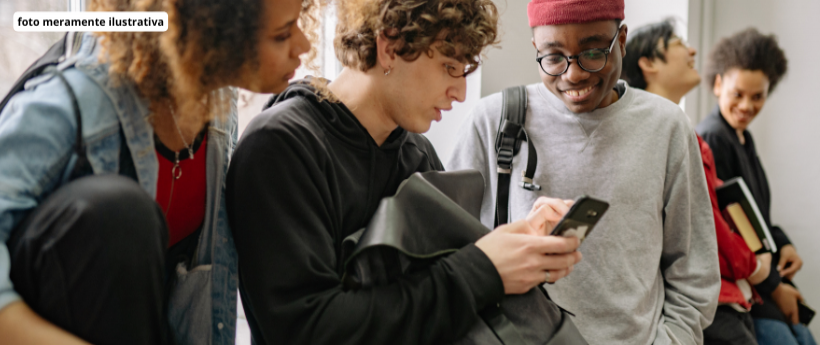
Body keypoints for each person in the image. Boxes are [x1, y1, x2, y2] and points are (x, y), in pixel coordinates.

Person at [226, 0, 585, 344]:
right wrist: (484, 270)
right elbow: (308, 330)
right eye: (449, 67)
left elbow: (449, 295)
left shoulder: (417, 154)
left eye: (465, 71)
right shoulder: (280, 146)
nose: (460, 93)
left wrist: (516, 247)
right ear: (389, 48)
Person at [0, 0, 314, 343]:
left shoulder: (213, 101)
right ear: (211, 33)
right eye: (282, 34)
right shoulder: (77, 99)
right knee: (120, 209)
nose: (304, 45)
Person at [448, 1, 721, 344]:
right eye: (553, 57)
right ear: (536, 49)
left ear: (622, 40)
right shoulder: (493, 121)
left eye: (593, 53)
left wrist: (674, 339)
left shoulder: (667, 126)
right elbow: (448, 257)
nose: (573, 74)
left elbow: (694, 266)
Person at [622, 19, 775, 345]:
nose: (692, 51)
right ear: (648, 64)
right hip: (701, 300)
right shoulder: (652, 132)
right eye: (678, 43)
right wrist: (754, 267)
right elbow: (706, 222)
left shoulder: (678, 129)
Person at [696, 28, 816, 345]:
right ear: (718, 85)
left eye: (757, 96)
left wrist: (784, 243)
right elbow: (731, 230)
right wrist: (776, 287)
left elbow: (756, 214)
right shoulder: (713, 138)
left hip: (764, 283)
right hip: (749, 289)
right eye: (738, 94)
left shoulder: (742, 138)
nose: (746, 106)